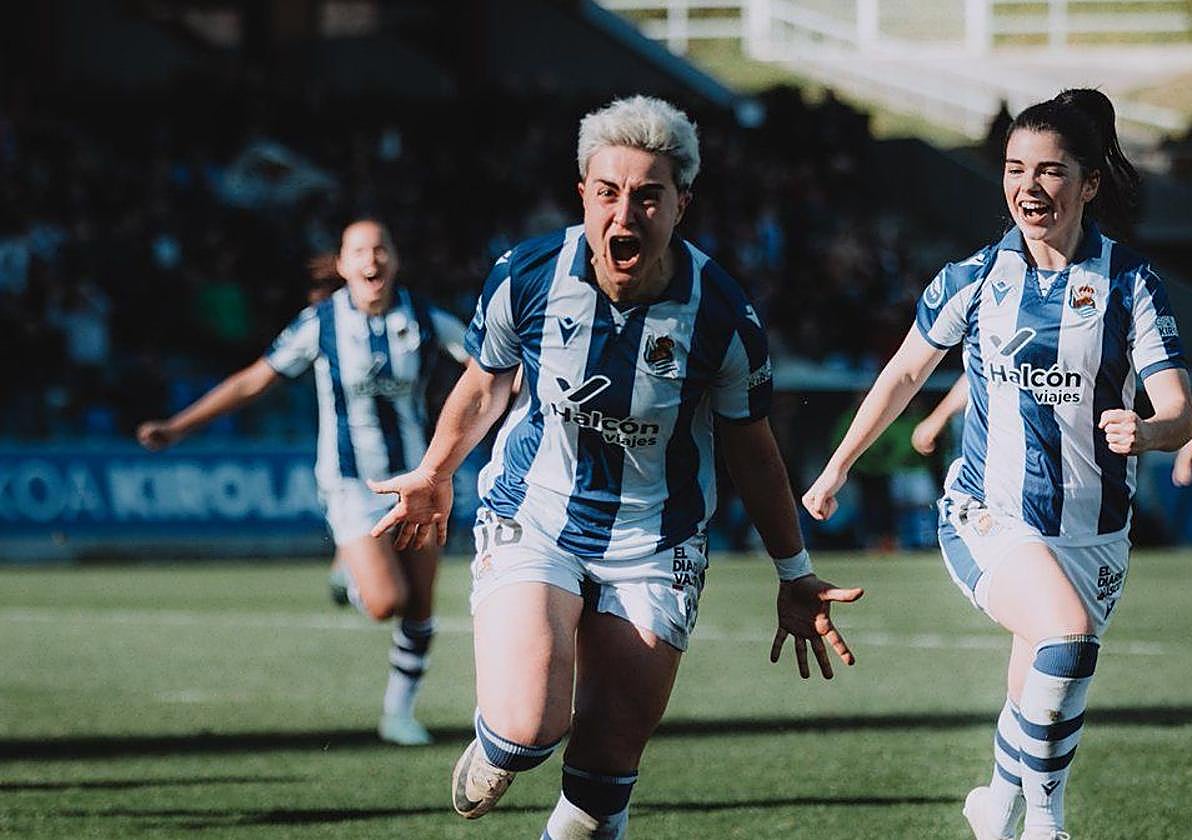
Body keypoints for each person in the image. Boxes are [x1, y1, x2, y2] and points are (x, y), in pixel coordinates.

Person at [367, 95, 863, 839]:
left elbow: (753, 451)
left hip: (656, 543)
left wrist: (794, 573)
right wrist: (437, 470)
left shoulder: (723, 315)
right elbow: (482, 383)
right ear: (583, 195)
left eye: (647, 196)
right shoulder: (527, 275)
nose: (624, 215)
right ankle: (500, 742)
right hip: (536, 518)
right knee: (528, 728)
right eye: (608, 193)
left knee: (601, 779)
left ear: (680, 205)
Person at [804, 88, 1192, 840]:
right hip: (988, 510)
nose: (1029, 187)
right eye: (1016, 168)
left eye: (1051, 171)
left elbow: (1179, 407)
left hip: (1095, 531)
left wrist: (1149, 432)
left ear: (1089, 183)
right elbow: (905, 374)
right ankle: (1046, 825)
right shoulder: (975, 278)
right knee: (1067, 638)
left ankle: (995, 804)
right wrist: (838, 465)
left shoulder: (1131, 285)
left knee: (1040, 690)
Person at [136, 218, 467, 746]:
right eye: (360, 250)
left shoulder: (426, 318)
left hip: (415, 480)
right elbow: (254, 379)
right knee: (386, 602)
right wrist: (179, 426)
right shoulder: (322, 322)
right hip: (349, 481)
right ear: (342, 264)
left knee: (422, 605)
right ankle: (351, 571)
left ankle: (397, 714)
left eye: (381, 249)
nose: (372, 259)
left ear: (395, 259)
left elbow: (488, 369)